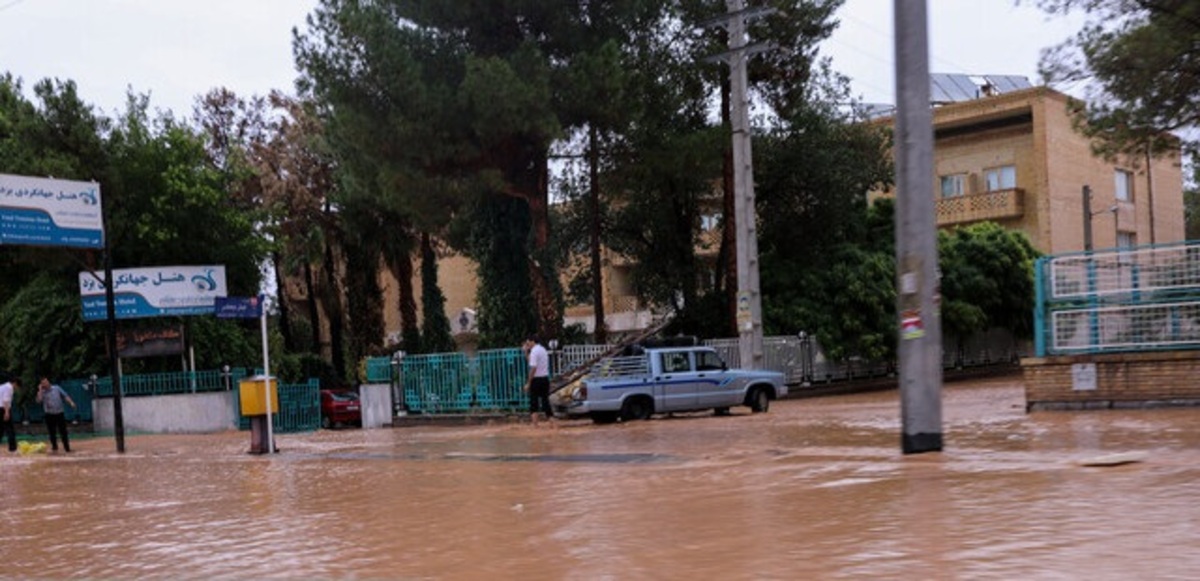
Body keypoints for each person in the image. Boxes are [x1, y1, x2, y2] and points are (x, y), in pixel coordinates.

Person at [36, 377, 76, 453]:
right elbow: (39, 401)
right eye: (43, 383)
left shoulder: (56, 388)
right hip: (49, 414)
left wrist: (71, 402)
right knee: (52, 432)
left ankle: (67, 447)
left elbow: (65, 395)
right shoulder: (42, 392)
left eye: (46, 382)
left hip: (59, 413)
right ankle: (54, 447)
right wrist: (40, 390)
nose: (45, 384)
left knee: (63, 431)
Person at [522, 334, 552, 426]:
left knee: (533, 402)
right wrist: (526, 352)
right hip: (545, 378)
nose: (528, 345)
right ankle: (553, 423)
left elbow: (533, 367)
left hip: (536, 379)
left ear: (532, 341)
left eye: (528, 343)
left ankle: (535, 425)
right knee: (545, 402)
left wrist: (528, 382)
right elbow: (531, 361)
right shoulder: (543, 350)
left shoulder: (534, 351)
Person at [0, 377, 18, 452]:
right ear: (15, 383)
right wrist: (7, 412)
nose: (16, 388)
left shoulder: (2, 386)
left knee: (0, 429)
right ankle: (12, 448)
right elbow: (6, 400)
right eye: (16, 386)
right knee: (10, 429)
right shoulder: (9, 387)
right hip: (3, 409)